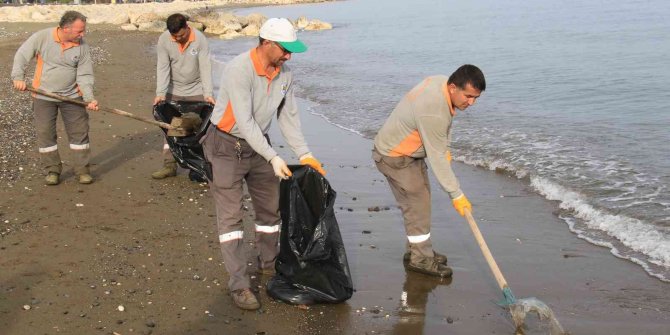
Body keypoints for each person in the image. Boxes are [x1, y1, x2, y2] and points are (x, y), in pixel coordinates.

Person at [201, 18, 326, 311]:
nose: (289, 56)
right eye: (285, 49)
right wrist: (273, 156)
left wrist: (305, 154)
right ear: (266, 43)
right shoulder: (238, 70)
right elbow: (243, 121)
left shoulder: (285, 74)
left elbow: (288, 117)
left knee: (271, 210)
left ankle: (269, 266)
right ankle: (240, 285)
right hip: (224, 145)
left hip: (259, 145)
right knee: (231, 219)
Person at [372, 65, 486, 277]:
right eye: (468, 96)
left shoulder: (440, 83)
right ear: (453, 87)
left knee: (419, 203)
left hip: (409, 152)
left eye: (476, 98)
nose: (471, 103)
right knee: (418, 204)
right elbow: (436, 156)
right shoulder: (433, 109)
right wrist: (456, 194)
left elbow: (445, 125)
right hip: (395, 156)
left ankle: (417, 251)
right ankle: (421, 259)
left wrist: (447, 148)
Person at [11, 10, 99, 185]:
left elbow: (85, 75)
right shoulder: (42, 37)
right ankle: (52, 170)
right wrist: (18, 78)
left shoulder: (82, 46)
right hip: (43, 96)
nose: (83, 34)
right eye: (79, 31)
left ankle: (82, 171)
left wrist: (89, 97)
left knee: (79, 134)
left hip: (73, 97)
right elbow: (22, 55)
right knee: (45, 134)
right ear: (65, 29)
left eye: (83, 30)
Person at [151, 13, 215, 180]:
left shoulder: (199, 39)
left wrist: (208, 94)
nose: (178, 39)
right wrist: (160, 94)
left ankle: (197, 168)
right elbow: (163, 67)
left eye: (181, 35)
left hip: (196, 90)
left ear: (187, 27)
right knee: (171, 129)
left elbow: (205, 67)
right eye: (174, 36)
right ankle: (169, 166)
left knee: (198, 132)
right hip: (174, 90)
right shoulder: (165, 39)